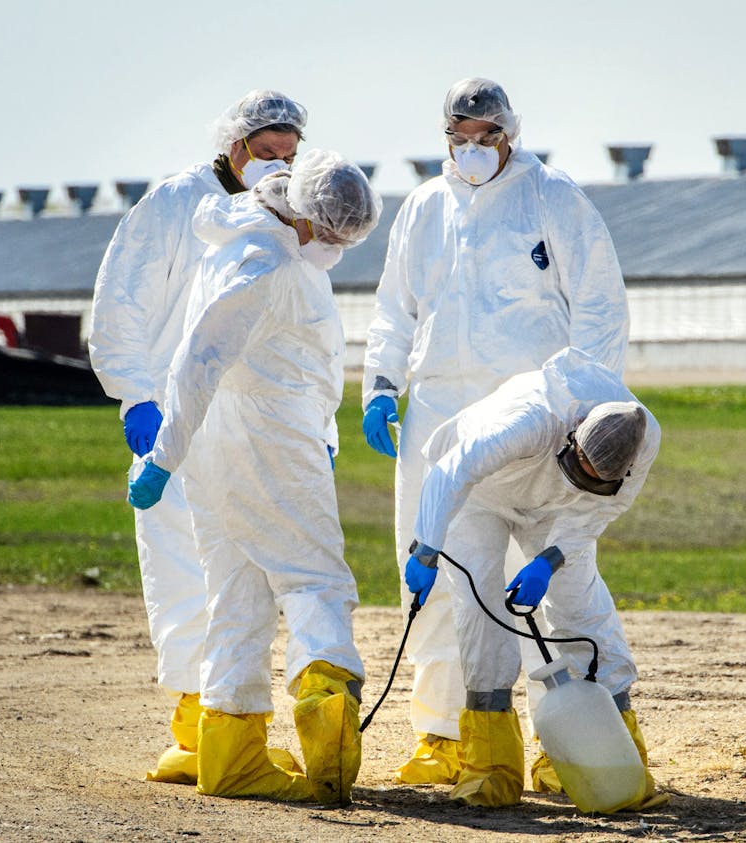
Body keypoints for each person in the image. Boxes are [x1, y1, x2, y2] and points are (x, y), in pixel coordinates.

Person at [361, 77, 630, 786]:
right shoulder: (423, 208)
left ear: (512, 132)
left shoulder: (555, 199)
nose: (474, 147)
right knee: (443, 576)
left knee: (561, 578)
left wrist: (588, 404)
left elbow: (601, 306)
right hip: (439, 418)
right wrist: (382, 386)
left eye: (487, 134)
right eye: (461, 135)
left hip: (538, 416)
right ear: (445, 137)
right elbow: (395, 307)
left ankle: (572, 737)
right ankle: (445, 734)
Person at [126, 149, 381, 803]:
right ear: (308, 215)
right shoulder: (266, 263)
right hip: (270, 437)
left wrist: (175, 455)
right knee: (317, 580)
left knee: (237, 593)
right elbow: (197, 361)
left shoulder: (244, 235)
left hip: (223, 444)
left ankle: (232, 751)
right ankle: (328, 729)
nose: (333, 248)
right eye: (330, 235)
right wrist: (160, 457)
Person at [88, 89, 307, 785]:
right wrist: (134, 397)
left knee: (244, 573)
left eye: (289, 156)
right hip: (170, 419)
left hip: (246, 422)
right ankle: (196, 726)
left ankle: (232, 719)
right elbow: (119, 302)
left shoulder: (276, 213)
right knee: (184, 567)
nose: (276, 165)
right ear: (235, 145)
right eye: (267, 152)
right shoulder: (172, 204)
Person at [402, 347, 666, 808]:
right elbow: (450, 473)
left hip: (561, 512)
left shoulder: (643, 442)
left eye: (594, 477)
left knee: (584, 611)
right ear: (571, 438)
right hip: (481, 495)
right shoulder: (527, 421)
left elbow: (606, 506)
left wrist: (551, 558)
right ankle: (491, 766)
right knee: (479, 609)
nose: (583, 477)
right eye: (578, 467)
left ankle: (609, 756)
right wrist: (425, 551)